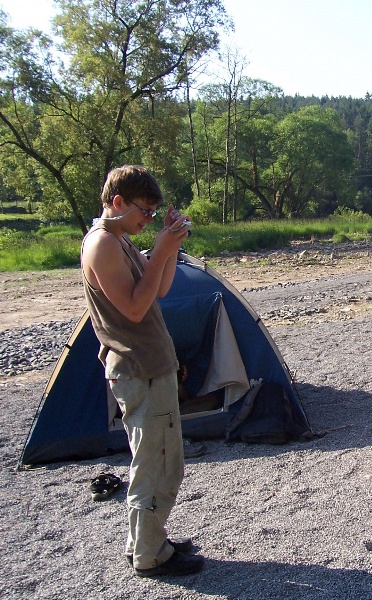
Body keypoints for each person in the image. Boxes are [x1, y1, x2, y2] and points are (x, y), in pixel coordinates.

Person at [80, 165, 204, 576]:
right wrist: (161, 249)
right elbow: (133, 308)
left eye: (153, 213)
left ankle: (145, 542)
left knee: (161, 461)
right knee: (156, 465)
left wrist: (167, 247)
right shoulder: (102, 245)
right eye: (143, 211)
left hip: (151, 364)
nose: (147, 219)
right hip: (138, 368)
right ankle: (151, 557)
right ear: (117, 202)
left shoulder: (120, 240)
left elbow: (160, 290)